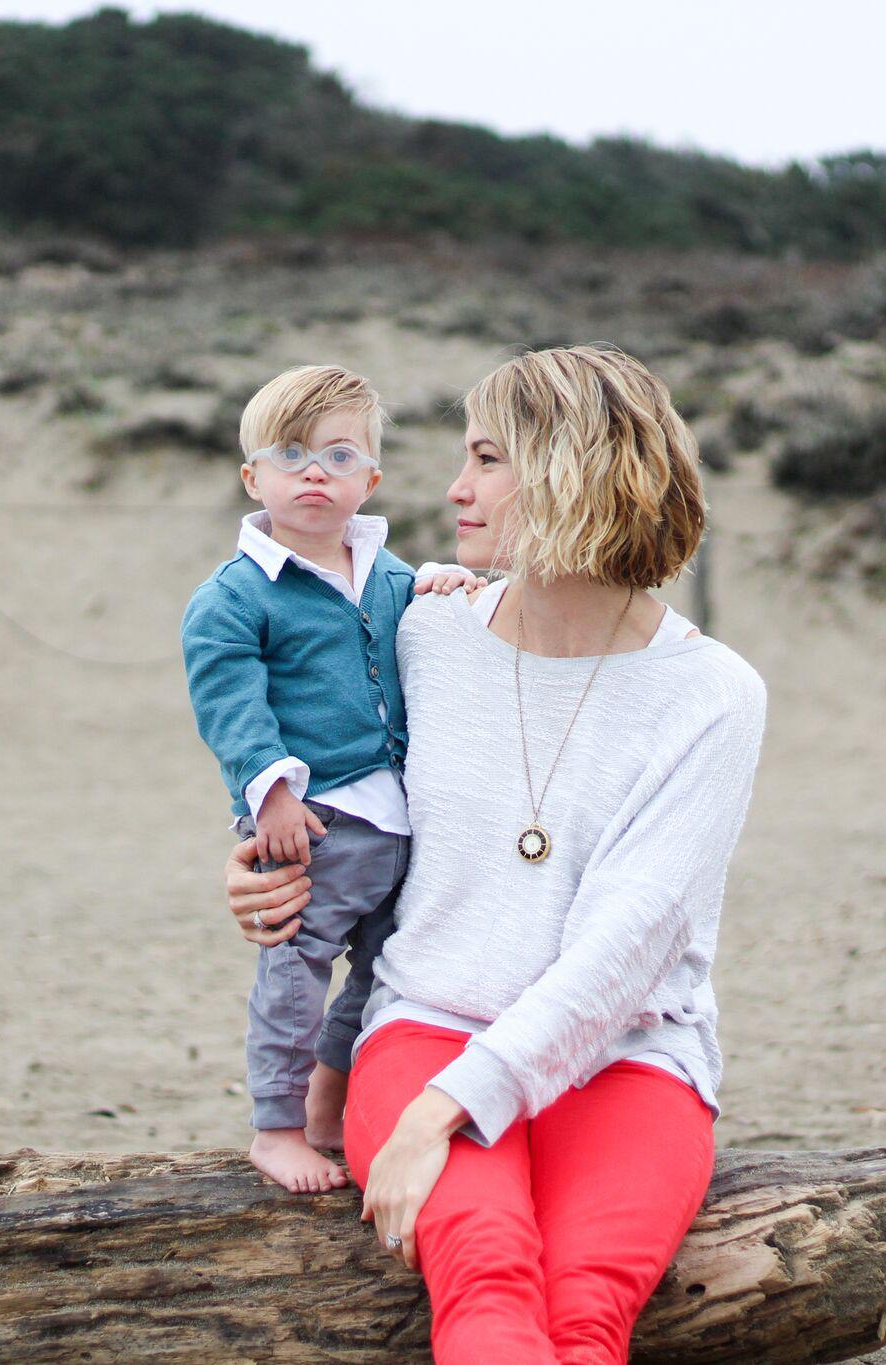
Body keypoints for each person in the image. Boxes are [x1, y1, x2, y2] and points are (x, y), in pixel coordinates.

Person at [224, 345, 769, 1361]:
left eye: (486, 459)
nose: (453, 489)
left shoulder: (710, 695)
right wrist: (255, 862)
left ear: (572, 472)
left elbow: (627, 950)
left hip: (627, 1054)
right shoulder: (420, 636)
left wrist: (443, 1115)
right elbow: (323, 783)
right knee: (483, 1276)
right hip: (426, 1023)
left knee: (585, 1308)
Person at [181, 364, 477, 1193]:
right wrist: (269, 791)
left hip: (396, 820)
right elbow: (230, 703)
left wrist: (436, 583)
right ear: (254, 477)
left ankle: (323, 1100)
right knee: (295, 964)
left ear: (370, 479)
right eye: (292, 453)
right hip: (307, 819)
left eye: (340, 455)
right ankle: (274, 1126)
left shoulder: (386, 573)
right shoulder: (236, 597)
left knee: (385, 971)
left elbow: (410, 617)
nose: (316, 470)